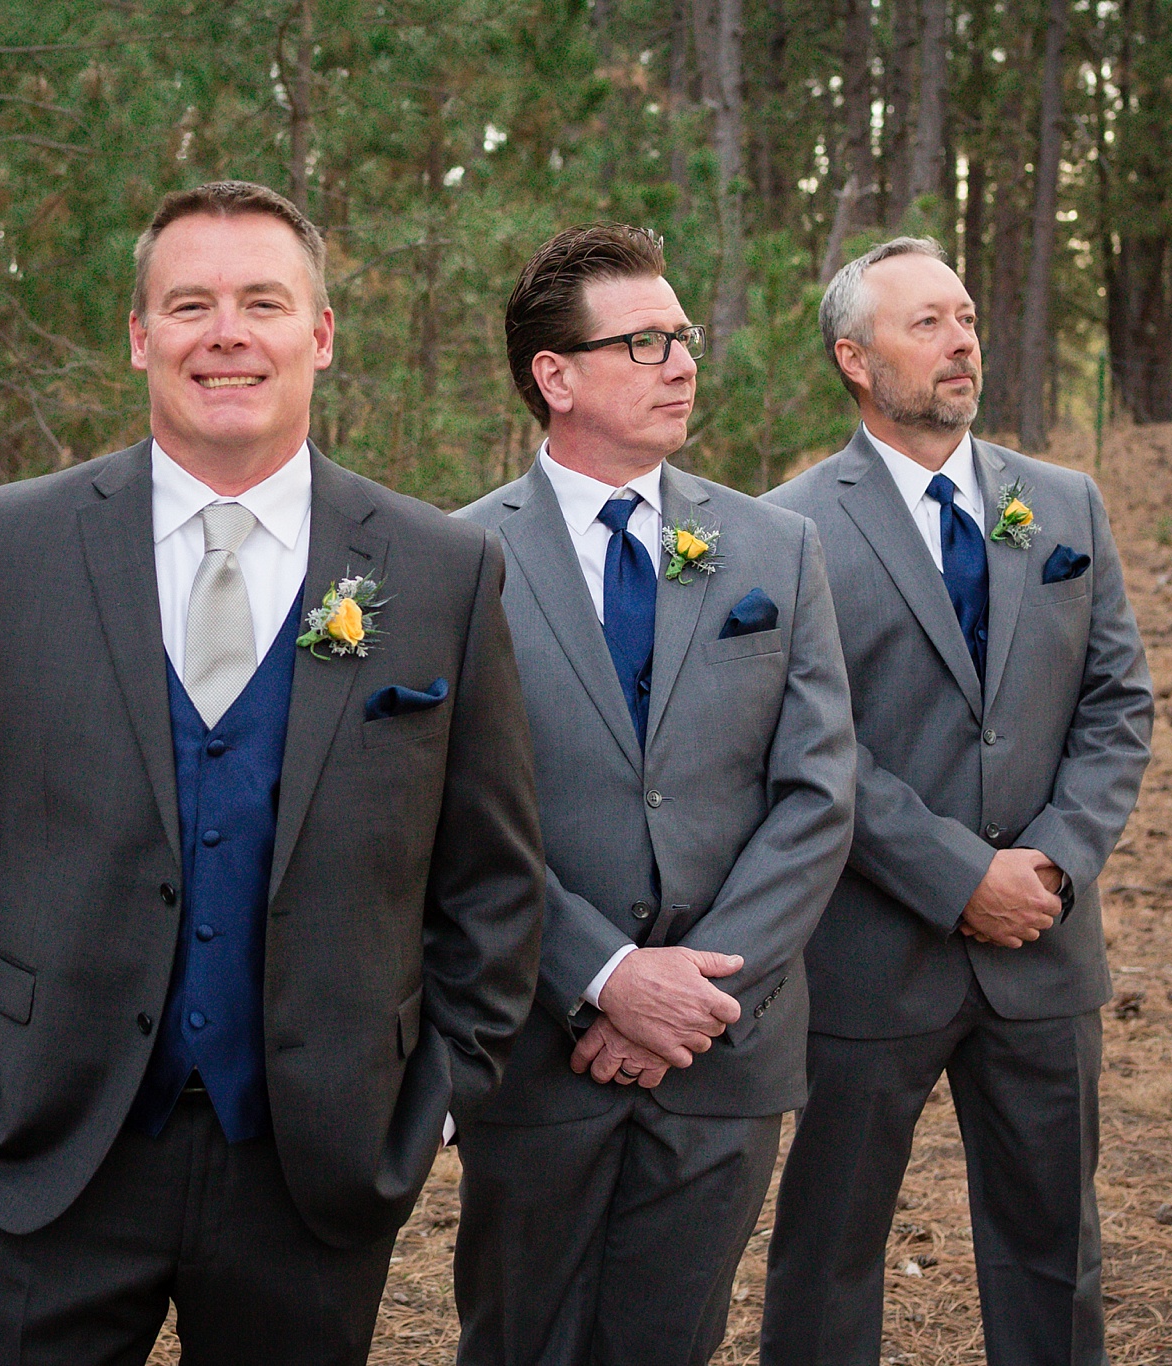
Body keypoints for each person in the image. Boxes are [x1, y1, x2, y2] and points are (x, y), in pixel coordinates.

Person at [0, 179, 546, 1365]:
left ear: (318, 335)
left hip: (315, 1163)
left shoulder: (441, 570)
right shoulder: (11, 543)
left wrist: (431, 1098)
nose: (225, 332)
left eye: (262, 302)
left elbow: (491, 879)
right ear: (138, 337)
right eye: (188, 304)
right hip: (44, 1151)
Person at [450, 223, 856, 1365]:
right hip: (534, 1052)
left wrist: (694, 996)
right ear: (555, 376)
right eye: (642, 342)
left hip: (723, 1050)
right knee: (516, 1341)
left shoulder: (776, 549)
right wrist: (604, 978)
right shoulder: (454, 561)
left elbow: (817, 792)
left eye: (679, 337)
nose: (681, 361)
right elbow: (451, 820)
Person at [761, 236, 1153, 1365]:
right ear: (852, 356)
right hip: (868, 956)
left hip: (1043, 947)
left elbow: (1117, 703)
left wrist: (1049, 863)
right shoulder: (785, 530)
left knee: (1051, 1247)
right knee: (826, 1250)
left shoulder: (1064, 505)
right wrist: (953, 876)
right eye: (924, 323)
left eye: (966, 316)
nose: (960, 341)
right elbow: (804, 741)